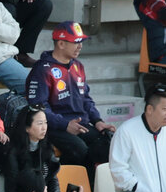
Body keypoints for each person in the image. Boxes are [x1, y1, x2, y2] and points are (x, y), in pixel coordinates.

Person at [25, 22, 114, 174]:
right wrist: (65, 124)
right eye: (76, 42)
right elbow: (38, 107)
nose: (80, 46)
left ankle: (97, 191)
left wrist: (98, 121)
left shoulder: (78, 66)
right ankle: (76, 190)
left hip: (81, 125)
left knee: (108, 142)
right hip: (54, 127)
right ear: (60, 43)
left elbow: (86, 99)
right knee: (79, 149)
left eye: (81, 42)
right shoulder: (42, 69)